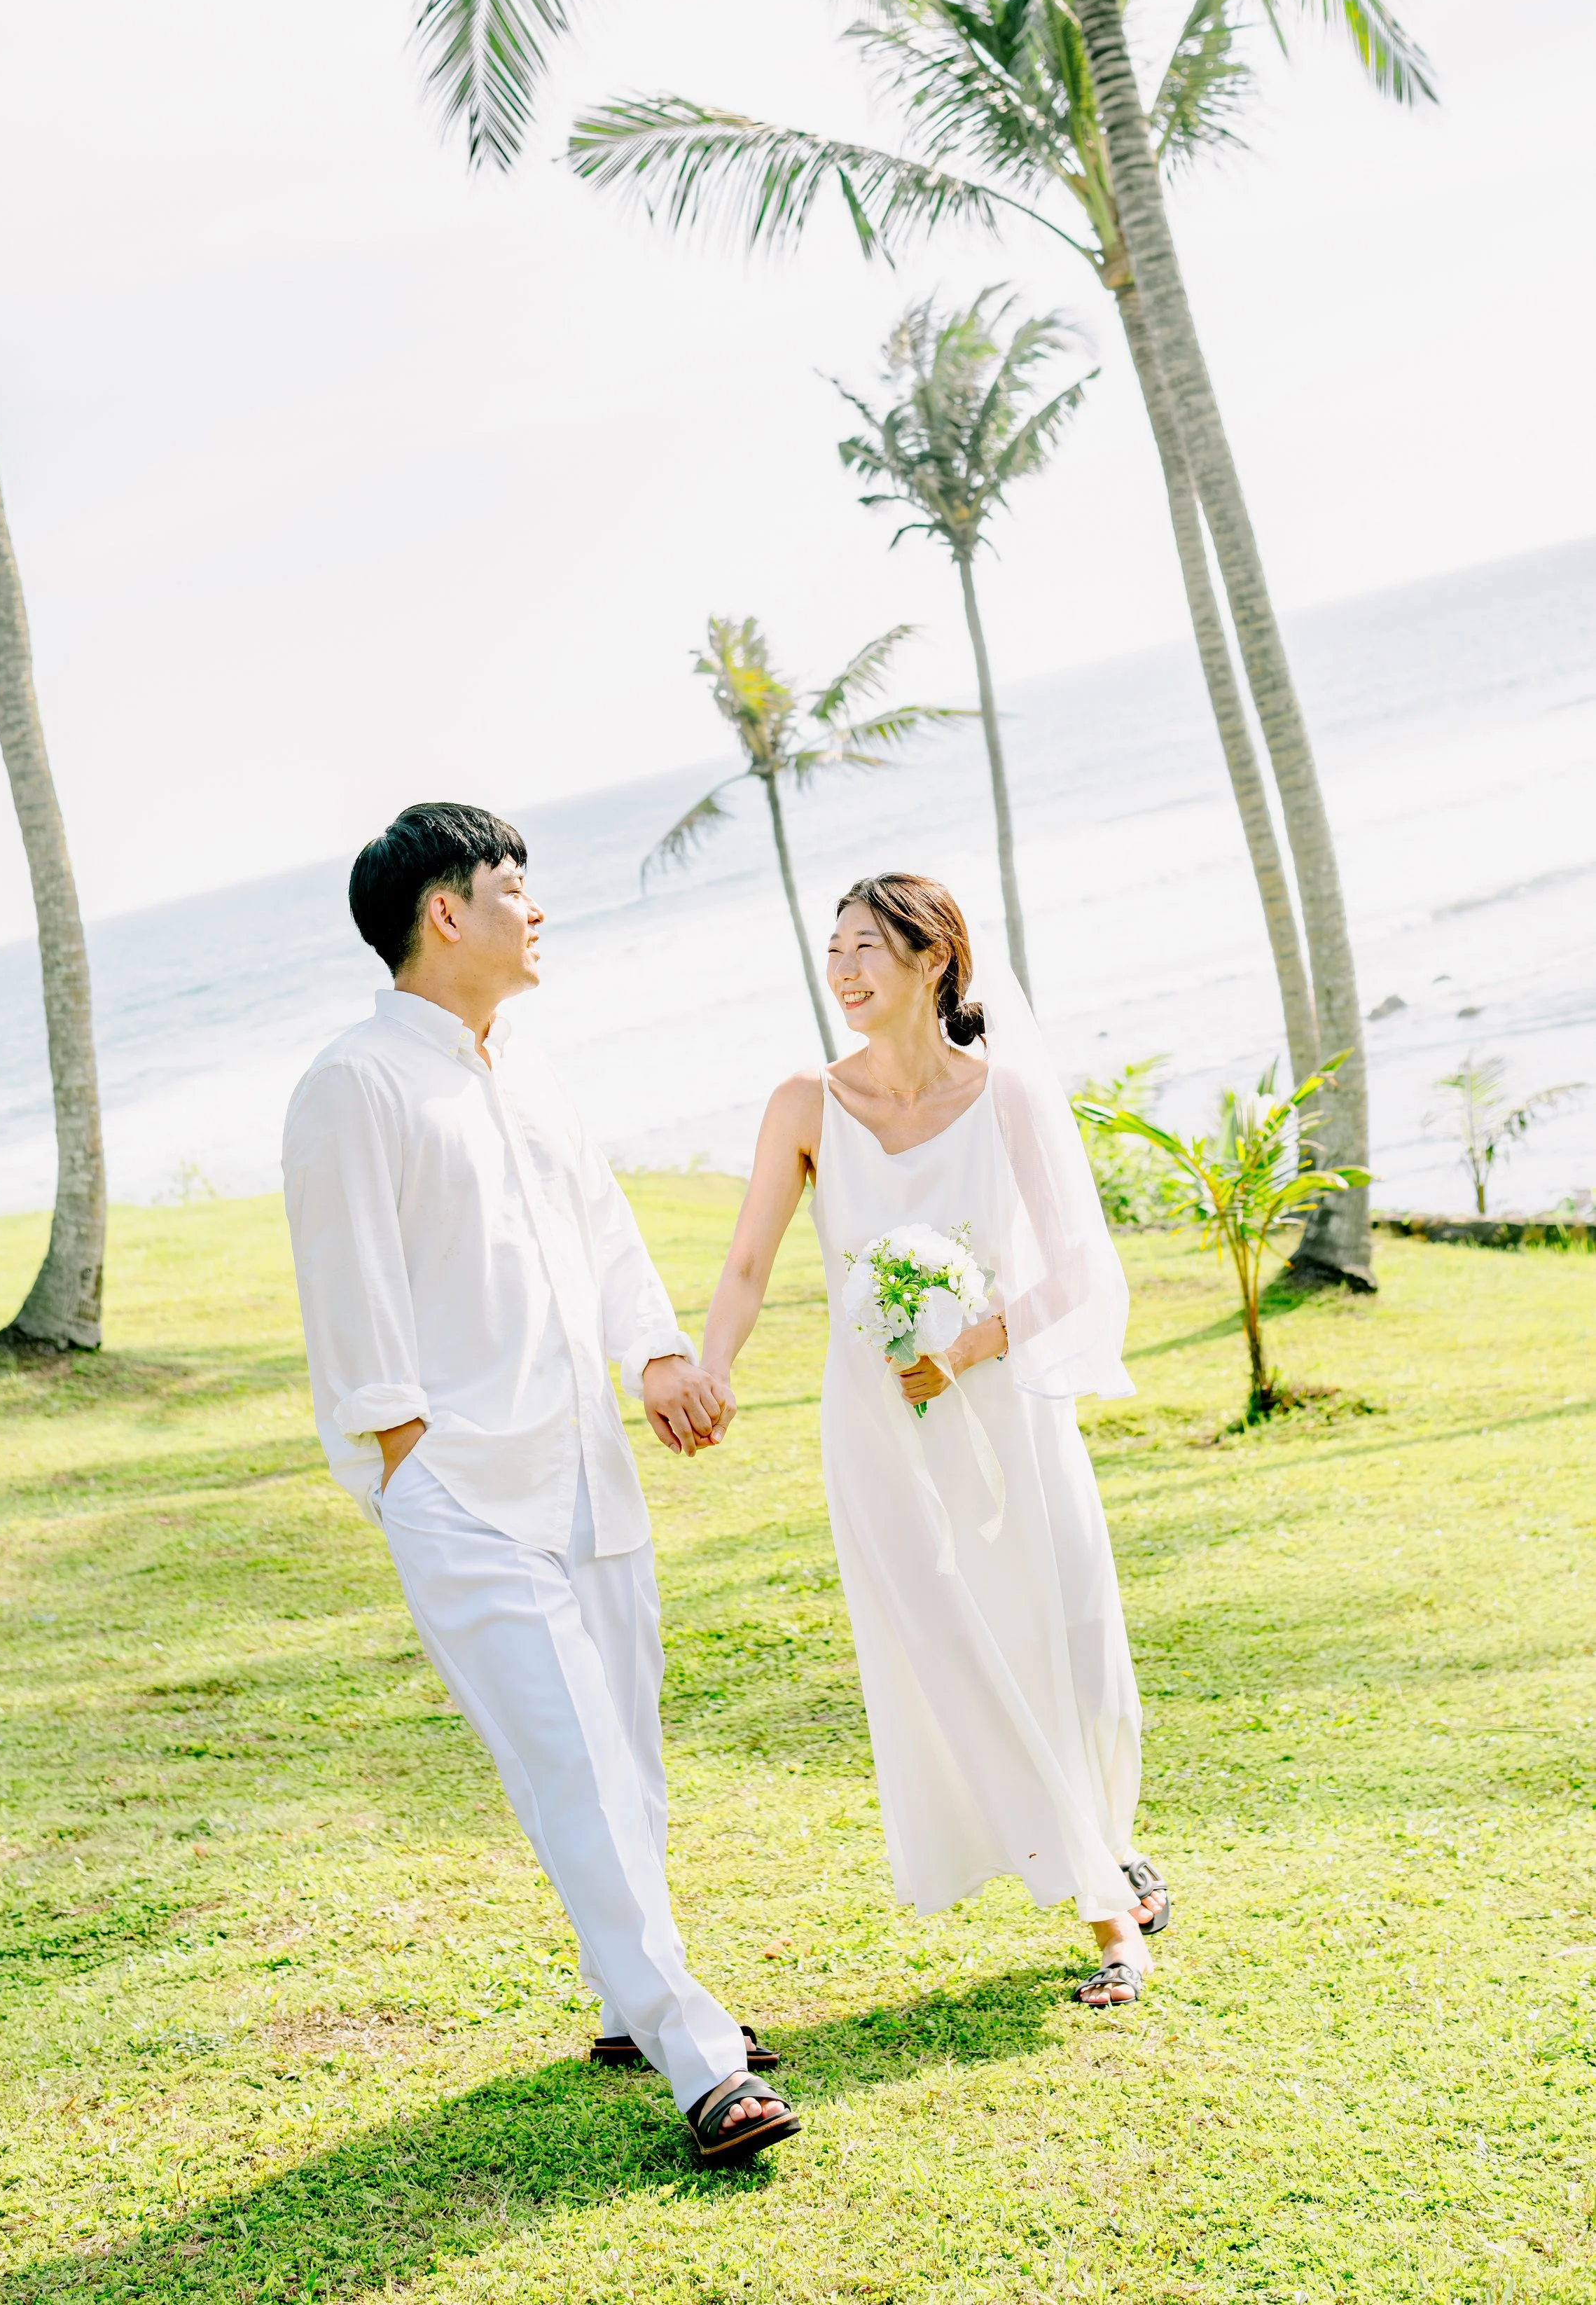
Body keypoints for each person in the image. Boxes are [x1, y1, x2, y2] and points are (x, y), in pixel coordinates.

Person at [281, 801, 800, 2165]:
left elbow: (604, 1235)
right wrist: (406, 1463)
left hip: (584, 1473)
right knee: (572, 1763)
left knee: (623, 1759)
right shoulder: (356, 1083)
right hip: (461, 1491)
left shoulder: (525, 1070)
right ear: (443, 913)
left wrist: (661, 1358)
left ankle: (629, 2007)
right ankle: (699, 2059)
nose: (537, 908)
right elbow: (349, 1297)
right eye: (514, 885)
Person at [699, 873, 1170, 2008]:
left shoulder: (1002, 1094)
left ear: (932, 960)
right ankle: (1109, 1915)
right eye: (837, 948)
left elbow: (1074, 1271)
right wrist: (711, 1366)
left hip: (1002, 1405)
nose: (848, 969)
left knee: (1067, 1636)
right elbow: (750, 1262)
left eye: (871, 947)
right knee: (946, 1641)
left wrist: (968, 1347)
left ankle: (1104, 1838)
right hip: (876, 1423)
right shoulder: (803, 1104)